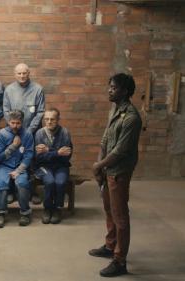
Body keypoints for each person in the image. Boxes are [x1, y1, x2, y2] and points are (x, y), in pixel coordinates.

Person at [89, 73, 142, 277]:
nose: (109, 90)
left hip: (119, 172)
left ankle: (120, 261)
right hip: (107, 170)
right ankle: (110, 246)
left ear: (125, 91)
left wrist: (99, 165)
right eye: (109, 86)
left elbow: (121, 151)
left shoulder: (131, 118)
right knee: (109, 210)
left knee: (120, 216)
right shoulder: (116, 110)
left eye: (114, 87)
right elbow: (105, 139)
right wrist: (99, 166)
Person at [0, 110, 34, 228]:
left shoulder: (27, 134)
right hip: (4, 166)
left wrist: (18, 171)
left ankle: (25, 213)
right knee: (2, 182)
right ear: (8, 121)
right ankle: (0, 213)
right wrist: (13, 146)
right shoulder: (1, 134)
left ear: (22, 122)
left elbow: (28, 155)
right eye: (12, 123)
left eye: (18, 123)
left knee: (22, 183)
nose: (15, 126)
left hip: (19, 167)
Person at [34, 108, 73, 224]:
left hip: (61, 166)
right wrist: (57, 152)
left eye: (52, 119)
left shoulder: (65, 133)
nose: (49, 122)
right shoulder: (39, 134)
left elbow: (66, 156)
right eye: (46, 119)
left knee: (60, 182)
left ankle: (57, 208)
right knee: (50, 181)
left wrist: (48, 151)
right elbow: (39, 157)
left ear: (58, 120)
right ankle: (47, 208)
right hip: (44, 166)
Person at [3, 63, 45, 135]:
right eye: (19, 73)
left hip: (33, 132)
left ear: (28, 73)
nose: (22, 76)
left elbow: (40, 112)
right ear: (15, 74)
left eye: (24, 73)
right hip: (13, 131)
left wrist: (29, 131)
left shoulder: (38, 89)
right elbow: (6, 111)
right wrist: (14, 127)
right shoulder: (9, 90)